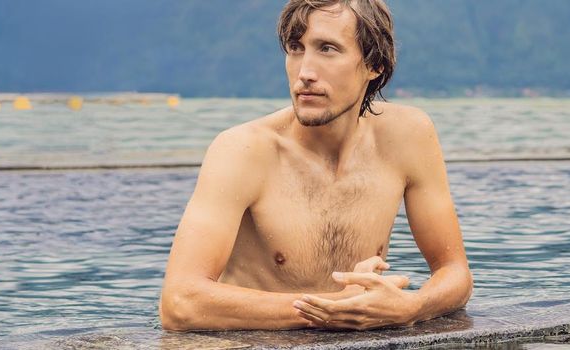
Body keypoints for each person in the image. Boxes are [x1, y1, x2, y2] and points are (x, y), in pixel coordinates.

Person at [158, 0, 472, 331]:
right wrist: (340, 307)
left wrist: (410, 307)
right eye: (296, 48)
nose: (305, 72)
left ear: (374, 64)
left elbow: (455, 272)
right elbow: (180, 304)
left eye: (327, 49)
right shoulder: (243, 151)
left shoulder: (408, 137)